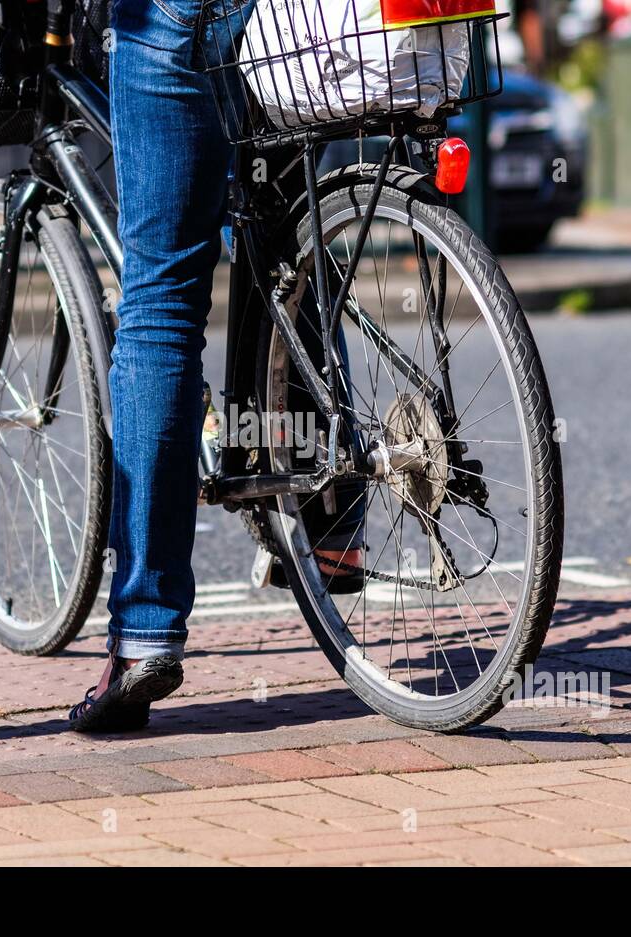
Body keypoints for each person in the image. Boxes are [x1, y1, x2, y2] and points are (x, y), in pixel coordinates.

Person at [69, 0, 362, 733]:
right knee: (290, 242)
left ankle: (144, 634)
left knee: (161, 302)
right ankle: (336, 536)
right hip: (300, 22)